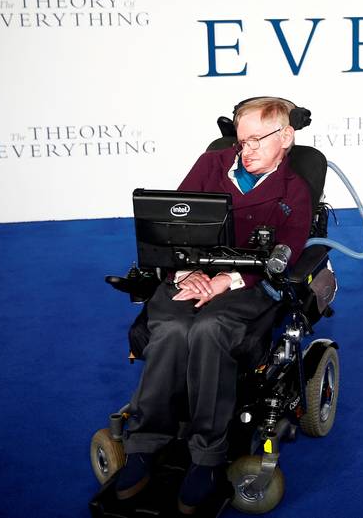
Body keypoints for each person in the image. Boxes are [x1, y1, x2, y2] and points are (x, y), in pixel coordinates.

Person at [115, 97, 312, 514]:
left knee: (209, 331)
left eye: (259, 139)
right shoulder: (212, 166)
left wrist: (227, 279)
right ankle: (145, 444)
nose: (248, 149)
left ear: (287, 137)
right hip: (190, 273)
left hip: (248, 284)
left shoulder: (295, 190)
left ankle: (206, 456)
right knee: (170, 327)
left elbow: (290, 249)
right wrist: (188, 274)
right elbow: (173, 221)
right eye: (242, 140)